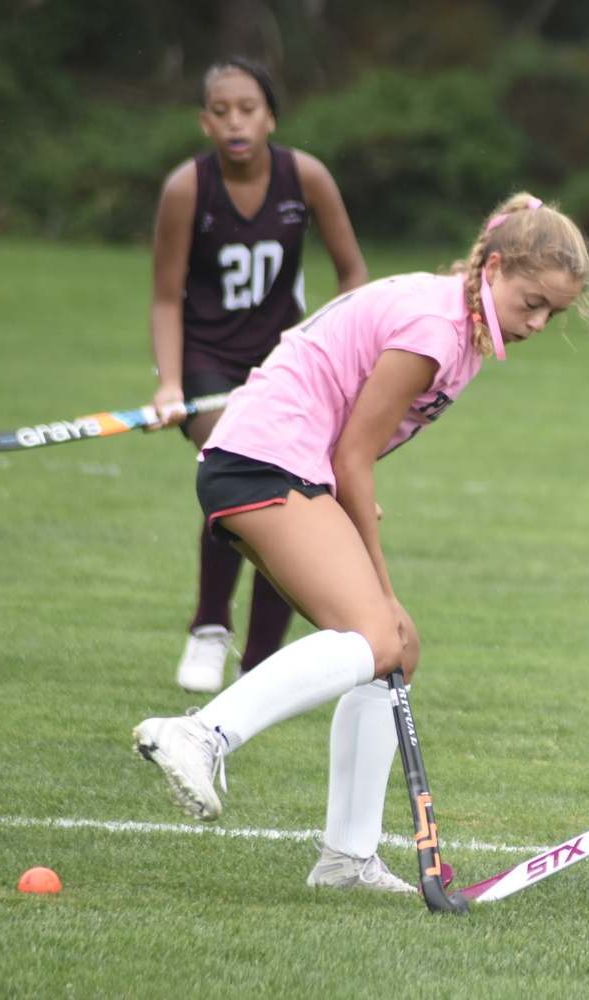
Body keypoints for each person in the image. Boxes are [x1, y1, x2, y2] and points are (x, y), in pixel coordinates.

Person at [134, 194, 589, 893]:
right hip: (266, 463)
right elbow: (356, 453)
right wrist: (378, 584)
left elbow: (351, 439)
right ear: (494, 267)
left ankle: (346, 860)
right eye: (531, 302)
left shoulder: (460, 320)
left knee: (397, 651)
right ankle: (200, 734)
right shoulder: (438, 330)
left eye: (552, 314)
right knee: (380, 631)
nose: (536, 322)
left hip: (281, 463)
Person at [150, 56, 369, 694]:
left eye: (248, 109)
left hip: (284, 362)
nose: (235, 122)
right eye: (221, 112)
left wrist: (320, 344)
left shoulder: (307, 177)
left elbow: (353, 276)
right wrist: (170, 384)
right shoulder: (188, 189)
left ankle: (260, 665)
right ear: (204, 121)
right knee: (248, 469)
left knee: (291, 492)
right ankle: (210, 627)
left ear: (270, 116)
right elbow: (167, 298)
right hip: (206, 360)